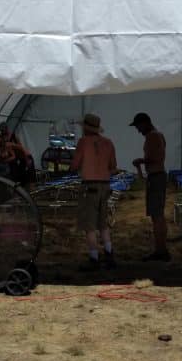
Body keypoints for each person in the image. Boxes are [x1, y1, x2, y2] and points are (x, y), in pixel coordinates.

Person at [71, 113, 118, 270]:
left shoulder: (83, 142)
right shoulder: (108, 143)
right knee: (103, 223)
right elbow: (113, 167)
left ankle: (94, 258)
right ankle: (109, 254)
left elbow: (75, 165)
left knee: (89, 225)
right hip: (105, 186)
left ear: (86, 128)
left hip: (89, 187)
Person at [130, 112, 169, 261]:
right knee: (157, 215)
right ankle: (161, 249)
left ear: (145, 123)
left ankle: (161, 251)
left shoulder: (153, 136)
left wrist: (141, 161)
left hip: (156, 177)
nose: (138, 130)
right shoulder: (157, 135)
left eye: (138, 126)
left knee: (157, 215)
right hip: (157, 176)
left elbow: (156, 158)